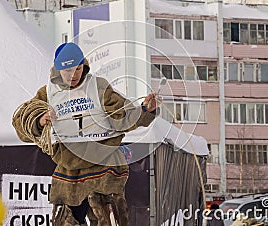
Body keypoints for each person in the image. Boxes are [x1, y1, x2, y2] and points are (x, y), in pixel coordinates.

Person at [12, 42, 159, 225]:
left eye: (78, 69)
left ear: (84, 66)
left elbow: (124, 116)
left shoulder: (98, 87)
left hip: (103, 164)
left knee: (110, 218)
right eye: (68, 71)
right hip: (70, 167)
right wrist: (40, 120)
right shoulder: (47, 94)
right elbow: (21, 123)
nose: (74, 75)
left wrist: (145, 110)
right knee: (65, 220)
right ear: (58, 70)